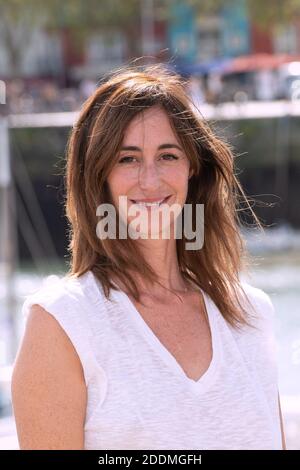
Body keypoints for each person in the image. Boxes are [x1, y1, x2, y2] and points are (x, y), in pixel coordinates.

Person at [11, 63, 286, 450]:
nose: (150, 179)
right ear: (98, 177)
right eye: (128, 159)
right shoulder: (62, 325)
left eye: (168, 155)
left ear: (194, 169)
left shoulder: (252, 313)